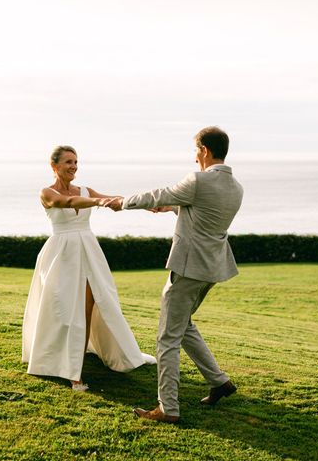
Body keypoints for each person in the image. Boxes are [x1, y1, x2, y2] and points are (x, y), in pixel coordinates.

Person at [105, 126, 244, 423]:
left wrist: (121, 203)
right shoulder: (235, 186)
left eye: (196, 151)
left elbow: (159, 193)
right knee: (184, 325)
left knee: (167, 337)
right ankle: (220, 382)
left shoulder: (198, 180)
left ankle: (167, 407)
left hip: (189, 267)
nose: (195, 158)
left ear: (204, 150)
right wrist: (174, 208)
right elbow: (203, 215)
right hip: (212, 268)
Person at [22, 145, 156, 391]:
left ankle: (77, 368)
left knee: (88, 308)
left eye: (75, 162)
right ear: (54, 166)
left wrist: (146, 204)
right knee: (63, 310)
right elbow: (67, 201)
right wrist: (98, 201)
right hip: (61, 255)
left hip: (88, 252)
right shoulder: (47, 192)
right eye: (68, 162)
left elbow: (112, 198)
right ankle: (61, 362)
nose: (73, 166)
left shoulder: (85, 190)